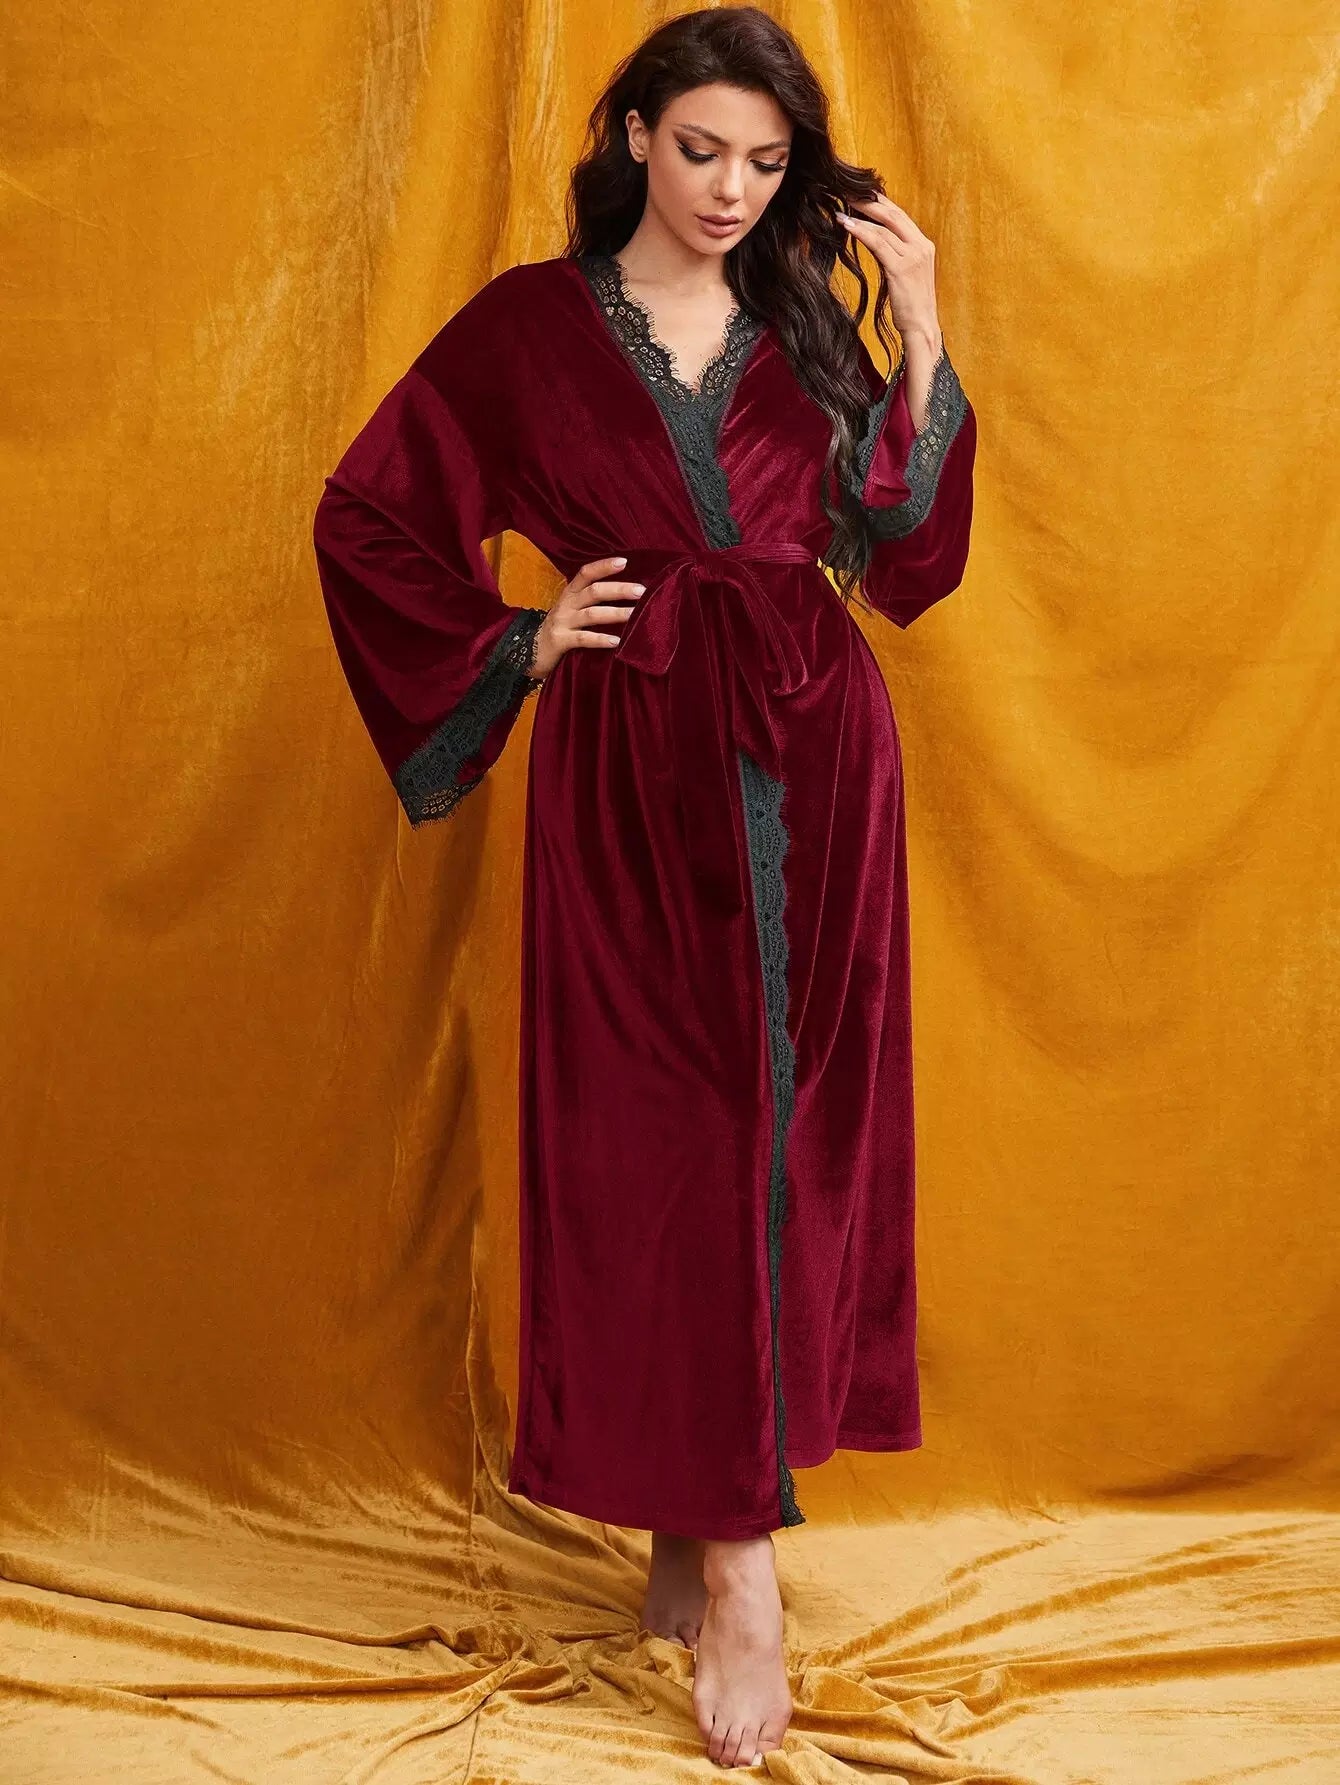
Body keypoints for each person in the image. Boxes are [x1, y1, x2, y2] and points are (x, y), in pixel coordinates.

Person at [312, 4, 976, 1769]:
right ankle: (733, 1551)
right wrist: (521, 642)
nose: (732, 190)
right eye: (699, 150)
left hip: (816, 767)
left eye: (764, 161)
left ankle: (710, 1529)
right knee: (656, 1136)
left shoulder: (804, 319)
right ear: (631, 135)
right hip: (632, 772)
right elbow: (369, 516)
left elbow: (908, 556)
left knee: (780, 1128)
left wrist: (918, 331)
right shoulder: (528, 330)